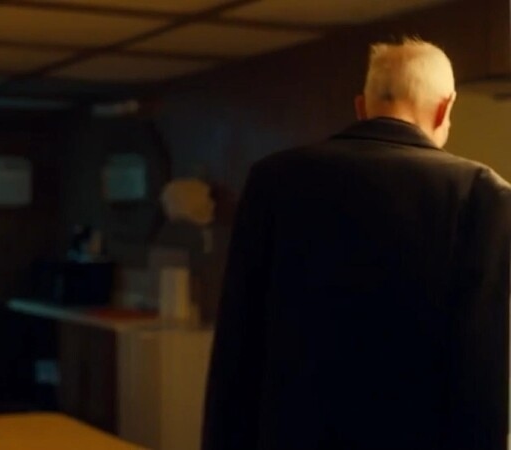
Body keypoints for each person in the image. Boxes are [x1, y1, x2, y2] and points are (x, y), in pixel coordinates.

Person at [202, 37, 511, 450]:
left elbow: (237, 349)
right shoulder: (481, 194)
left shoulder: (275, 179)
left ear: (362, 107)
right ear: (445, 108)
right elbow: (483, 369)